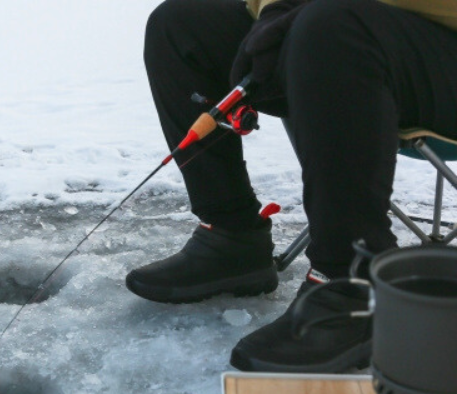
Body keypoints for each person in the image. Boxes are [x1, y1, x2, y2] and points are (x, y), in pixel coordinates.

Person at [127, 0, 457, 372]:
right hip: (341, 31)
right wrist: (277, 11)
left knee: (333, 25)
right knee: (180, 24)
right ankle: (231, 233)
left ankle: (348, 281)